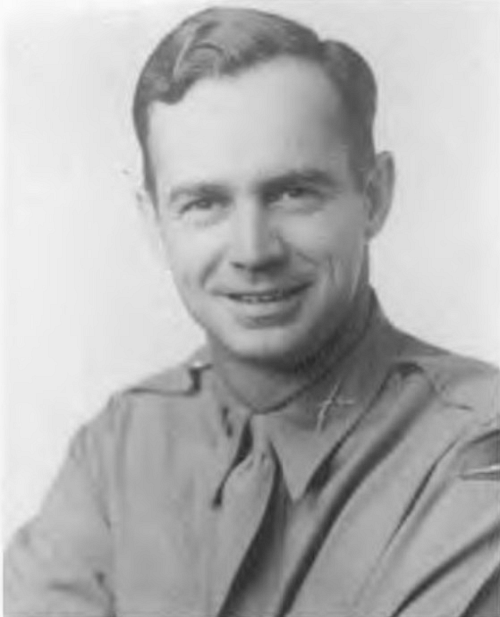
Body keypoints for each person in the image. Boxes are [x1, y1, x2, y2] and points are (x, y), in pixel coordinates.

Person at [5, 6, 499, 617]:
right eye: (204, 202)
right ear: (154, 223)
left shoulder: (478, 444)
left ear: (373, 197)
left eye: (293, 192)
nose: (252, 250)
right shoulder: (120, 447)